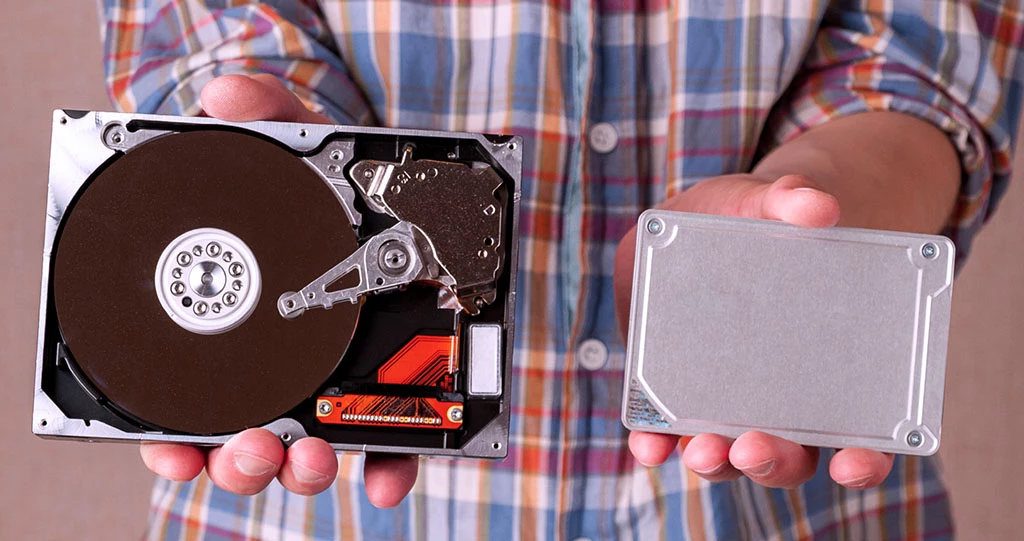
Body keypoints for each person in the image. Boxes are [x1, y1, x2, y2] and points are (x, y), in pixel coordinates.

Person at [101, 0, 1023, 538]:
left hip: (777, 506)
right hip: (325, 485)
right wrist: (274, 156)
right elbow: (216, 47)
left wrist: (808, 209)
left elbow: (921, 66)